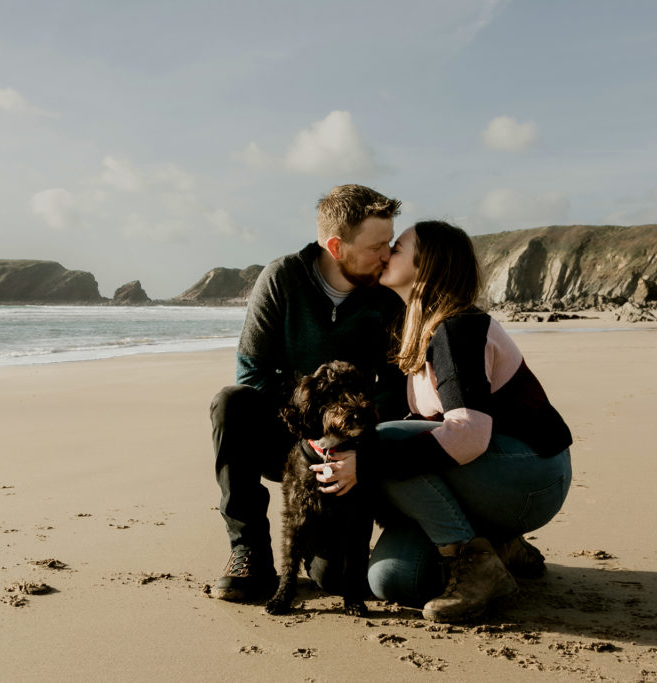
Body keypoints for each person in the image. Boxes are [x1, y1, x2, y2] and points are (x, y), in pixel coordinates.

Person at [311, 220, 573, 623]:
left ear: (427, 264)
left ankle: (476, 564)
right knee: (392, 579)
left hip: (531, 474)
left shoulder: (458, 330)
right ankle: (501, 546)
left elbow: (469, 436)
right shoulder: (414, 328)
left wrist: (367, 462)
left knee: (384, 443)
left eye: (396, 249)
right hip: (488, 478)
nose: (385, 255)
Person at [210, 184, 408, 602]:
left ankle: (328, 550)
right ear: (337, 245)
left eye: (390, 243)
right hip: (288, 431)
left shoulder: (387, 301)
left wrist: (355, 448)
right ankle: (248, 551)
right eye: (378, 246)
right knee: (231, 402)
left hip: (349, 443)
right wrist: (307, 431)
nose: (387, 255)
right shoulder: (282, 278)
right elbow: (251, 372)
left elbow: (394, 390)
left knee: (335, 580)